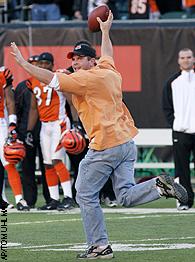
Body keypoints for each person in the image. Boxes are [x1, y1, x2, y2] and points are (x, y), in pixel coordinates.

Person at [11, 11, 188, 259]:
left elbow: (51, 78)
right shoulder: (107, 69)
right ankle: (159, 187)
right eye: (73, 58)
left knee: (84, 192)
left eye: (80, 58)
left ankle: (99, 245)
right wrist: (105, 32)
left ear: (91, 62)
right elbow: (108, 54)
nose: (75, 62)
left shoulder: (86, 78)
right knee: (124, 195)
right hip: (125, 142)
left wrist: (24, 64)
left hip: (105, 144)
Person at [25, 52, 75, 210]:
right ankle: (54, 199)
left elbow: (71, 101)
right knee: (47, 164)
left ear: (52, 65)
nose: (43, 66)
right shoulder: (33, 80)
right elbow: (33, 108)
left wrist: (75, 123)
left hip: (59, 123)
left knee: (57, 160)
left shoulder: (57, 77)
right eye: (41, 63)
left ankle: (68, 197)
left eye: (47, 63)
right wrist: (28, 130)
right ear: (37, 65)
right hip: (45, 126)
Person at [14, 54, 50, 208]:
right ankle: (29, 199)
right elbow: (17, 110)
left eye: (38, 63)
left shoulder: (49, 83)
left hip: (45, 129)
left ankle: (51, 198)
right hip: (26, 131)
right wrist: (18, 131)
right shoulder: (23, 86)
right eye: (33, 63)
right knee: (27, 167)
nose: (37, 66)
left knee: (48, 164)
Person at [162, 48, 195, 211]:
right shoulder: (172, 82)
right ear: (178, 60)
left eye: (189, 57)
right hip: (180, 132)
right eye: (183, 57)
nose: (186, 60)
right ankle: (185, 201)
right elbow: (166, 106)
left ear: (193, 59)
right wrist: (175, 124)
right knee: (182, 169)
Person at [0, 66, 29, 211]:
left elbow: (10, 100)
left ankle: (19, 199)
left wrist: (12, 124)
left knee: (8, 161)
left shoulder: (2, 73)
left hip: (1, 122)